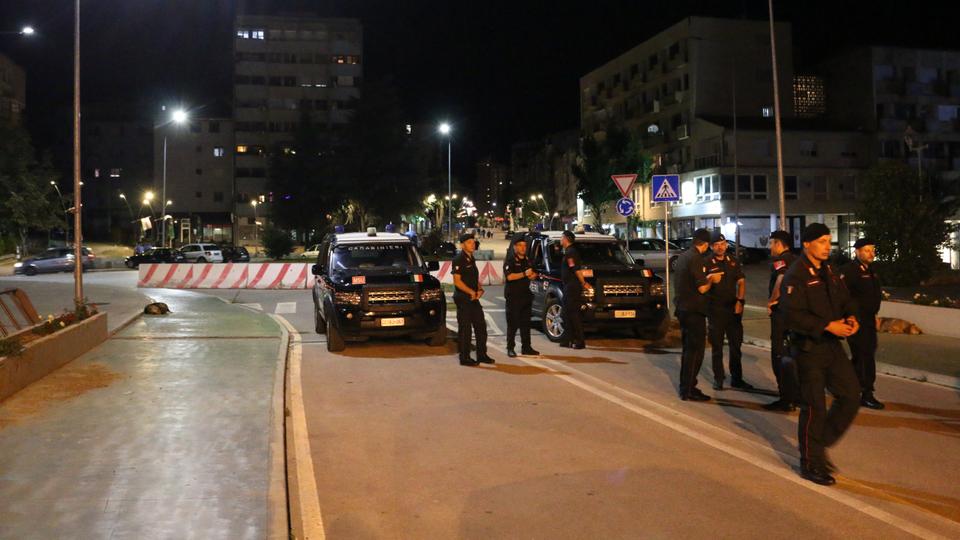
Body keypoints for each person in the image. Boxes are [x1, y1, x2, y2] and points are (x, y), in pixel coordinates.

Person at [779, 223, 861, 486]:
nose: (828, 246)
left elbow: (845, 300)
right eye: (822, 241)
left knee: (850, 395)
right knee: (814, 407)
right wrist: (826, 325)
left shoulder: (829, 271)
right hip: (808, 349)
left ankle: (818, 443)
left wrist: (851, 316)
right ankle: (810, 463)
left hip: (832, 347)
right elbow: (791, 315)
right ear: (807, 244)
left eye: (829, 240)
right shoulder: (796, 275)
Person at [674, 228, 724, 401]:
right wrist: (711, 279)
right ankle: (688, 389)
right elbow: (702, 287)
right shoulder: (696, 258)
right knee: (696, 351)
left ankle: (685, 387)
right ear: (706, 244)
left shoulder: (683, 256)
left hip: (683, 309)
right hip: (694, 311)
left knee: (688, 350)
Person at [841, 238, 885, 410]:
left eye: (873, 250)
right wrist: (848, 317)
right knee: (865, 356)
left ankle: (844, 383)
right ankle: (866, 393)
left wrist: (874, 315)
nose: (871, 253)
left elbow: (872, 295)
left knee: (864, 356)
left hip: (868, 319)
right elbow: (843, 296)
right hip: (856, 321)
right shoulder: (850, 271)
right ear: (857, 252)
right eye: (867, 250)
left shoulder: (871, 270)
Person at [705, 232, 752, 391]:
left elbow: (741, 281)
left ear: (726, 244)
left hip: (733, 310)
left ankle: (737, 379)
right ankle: (718, 378)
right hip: (715, 310)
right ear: (711, 247)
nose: (720, 247)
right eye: (716, 245)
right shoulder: (706, 262)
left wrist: (740, 301)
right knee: (717, 347)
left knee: (736, 346)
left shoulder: (733, 261)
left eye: (723, 244)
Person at [764, 230, 799, 411]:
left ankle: (786, 399)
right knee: (792, 354)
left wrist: (772, 300)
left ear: (779, 244)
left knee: (778, 354)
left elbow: (781, 277)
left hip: (781, 315)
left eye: (771, 243)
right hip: (794, 315)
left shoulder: (780, 261)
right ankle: (796, 395)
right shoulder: (796, 259)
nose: (770, 247)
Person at [452, 233, 492, 366]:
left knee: (481, 327)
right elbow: (457, 282)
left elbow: (473, 279)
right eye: (469, 242)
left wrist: (479, 289)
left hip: (473, 298)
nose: (473, 244)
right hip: (463, 298)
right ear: (462, 245)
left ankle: (482, 354)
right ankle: (464, 357)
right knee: (465, 329)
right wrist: (471, 292)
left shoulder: (471, 258)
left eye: (473, 242)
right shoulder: (458, 259)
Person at [503, 234, 540, 357]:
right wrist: (524, 273)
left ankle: (526, 347)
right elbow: (510, 276)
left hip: (526, 296)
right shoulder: (510, 260)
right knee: (512, 324)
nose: (523, 248)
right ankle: (510, 348)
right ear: (515, 247)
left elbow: (533, 273)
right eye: (520, 246)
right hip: (513, 297)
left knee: (525, 324)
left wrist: (532, 275)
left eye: (525, 246)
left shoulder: (528, 260)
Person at [559, 230, 592, 349]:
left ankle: (579, 341)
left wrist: (584, 283)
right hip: (569, 286)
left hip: (572, 287)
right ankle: (568, 339)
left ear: (566, 239)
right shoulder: (568, 251)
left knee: (573, 314)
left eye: (562, 238)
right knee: (566, 313)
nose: (560, 240)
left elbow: (576, 269)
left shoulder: (571, 253)